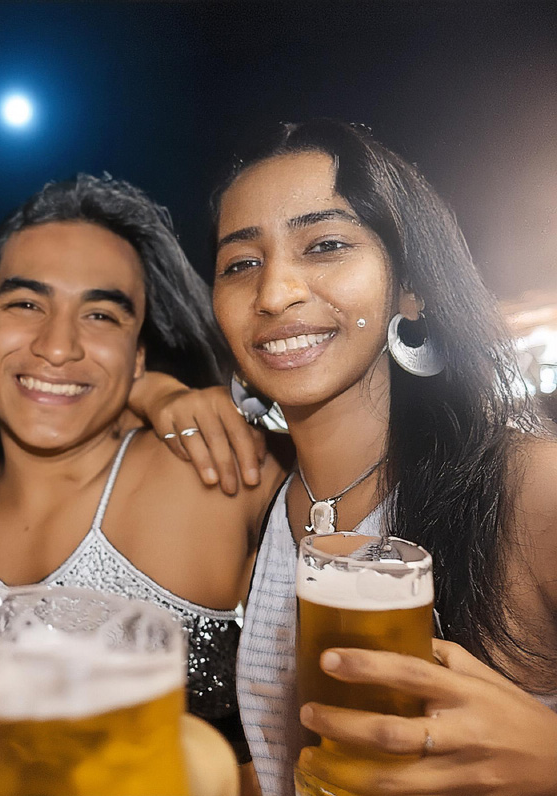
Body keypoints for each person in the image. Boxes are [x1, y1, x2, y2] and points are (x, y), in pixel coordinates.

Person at [135, 119, 557, 795]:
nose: (274, 293)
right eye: (241, 263)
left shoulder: (527, 485)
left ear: (410, 287)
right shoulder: (262, 492)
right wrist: (150, 389)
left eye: (325, 244)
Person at [0, 174, 285, 792]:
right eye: (25, 304)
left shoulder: (217, 472)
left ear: (139, 353)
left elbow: (371, 482)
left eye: (101, 315)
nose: (58, 345)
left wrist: (148, 393)